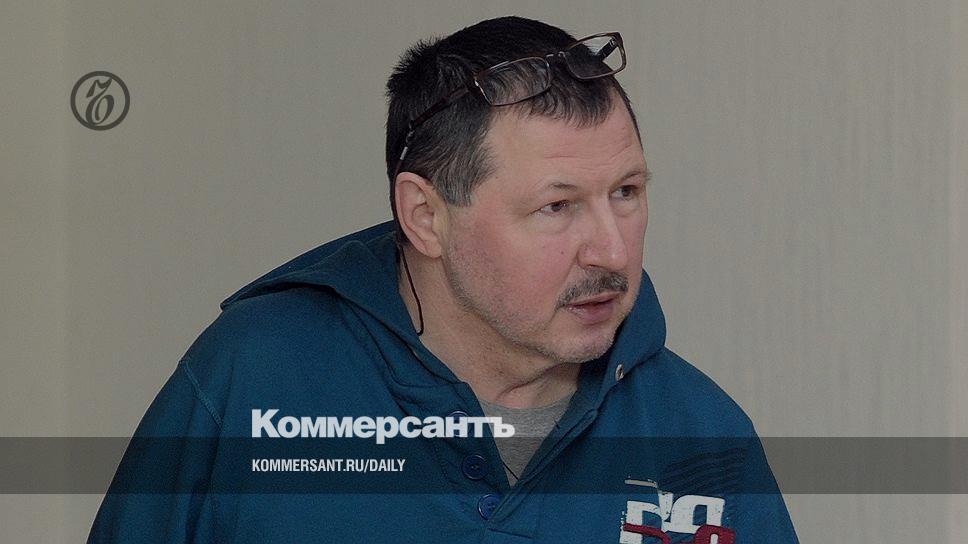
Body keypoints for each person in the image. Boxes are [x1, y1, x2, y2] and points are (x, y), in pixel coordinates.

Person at [88, 16, 798, 543]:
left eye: (627, 192)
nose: (611, 251)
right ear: (426, 217)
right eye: (556, 207)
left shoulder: (704, 439)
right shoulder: (253, 377)